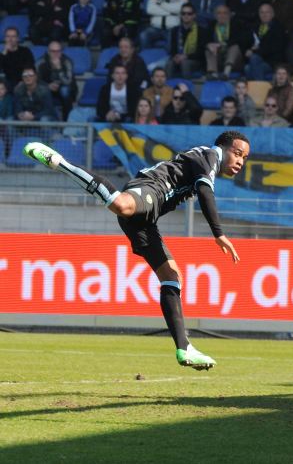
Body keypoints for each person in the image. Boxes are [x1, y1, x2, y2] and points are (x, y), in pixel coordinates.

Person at [23, 130, 251, 370]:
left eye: (244, 158)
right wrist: (219, 233)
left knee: (172, 277)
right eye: (237, 153)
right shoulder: (210, 156)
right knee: (122, 204)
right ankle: (60, 163)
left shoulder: (206, 160)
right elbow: (205, 192)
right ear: (223, 147)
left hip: (147, 218)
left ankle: (184, 348)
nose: (239, 161)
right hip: (152, 189)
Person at [36, 40, 75, 119]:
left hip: (64, 86)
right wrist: (48, 86)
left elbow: (68, 81)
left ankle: (66, 120)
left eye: (58, 51)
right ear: (48, 52)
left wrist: (59, 69)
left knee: (65, 91)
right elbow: (36, 81)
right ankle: (50, 118)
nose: (56, 54)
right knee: (43, 91)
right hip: (47, 86)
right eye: (53, 51)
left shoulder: (67, 62)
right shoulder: (40, 62)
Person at [1, 26, 35, 90]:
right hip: (9, 82)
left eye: (13, 36)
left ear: (18, 39)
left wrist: (23, 81)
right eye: (8, 36)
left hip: (26, 79)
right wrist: (5, 51)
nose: (10, 39)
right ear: (5, 39)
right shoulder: (2, 54)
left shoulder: (25, 51)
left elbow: (30, 67)